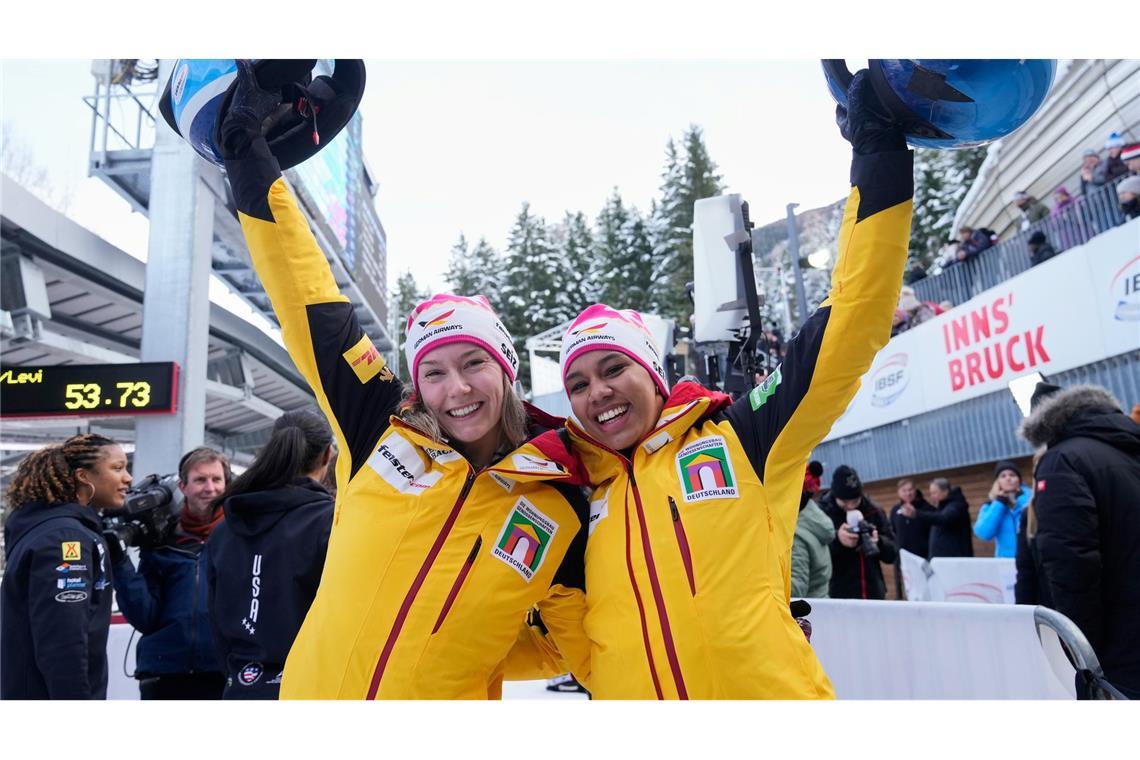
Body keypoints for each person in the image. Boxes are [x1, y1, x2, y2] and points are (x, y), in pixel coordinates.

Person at [218, 60, 589, 699]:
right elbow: (311, 300)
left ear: (507, 370)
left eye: (474, 364)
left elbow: (584, 641)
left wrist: (477, 657)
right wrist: (247, 157)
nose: (457, 389)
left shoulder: (561, 499)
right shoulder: (380, 426)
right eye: (435, 373)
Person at [540, 68, 914, 698]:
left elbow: (850, 326)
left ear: (654, 376)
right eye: (577, 383)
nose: (596, 391)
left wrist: (877, 163)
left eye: (613, 369)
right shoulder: (576, 501)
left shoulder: (738, 436)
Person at [1019, 383, 1140, 699]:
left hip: (1118, 645)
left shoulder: (1062, 461)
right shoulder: (1126, 448)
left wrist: (1083, 652)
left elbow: (1073, 566)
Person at [204, 409, 335, 699]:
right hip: (312, 687)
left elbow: (213, 618)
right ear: (327, 455)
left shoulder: (225, 528)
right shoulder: (332, 522)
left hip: (241, 687)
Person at [1, 434, 128, 699]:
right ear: (83, 477)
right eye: (117, 468)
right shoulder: (66, 538)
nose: (127, 478)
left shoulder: (48, 529)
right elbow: (62, 641)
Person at [107, 447, 229, 699]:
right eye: (200, 480)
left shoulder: (239, 539)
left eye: (216, 479)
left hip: (225, 673)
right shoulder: (160, 543)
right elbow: (144, 617)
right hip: (165, 674)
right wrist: (120, 563)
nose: (210, 488)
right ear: (183, 487)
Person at [819, 466, 897, 600]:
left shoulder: (874, 511)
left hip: (873, 594)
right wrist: (838, 540)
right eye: (844, 502)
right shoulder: (822, 514)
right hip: (837, 596)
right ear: (835, 495)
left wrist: (878, 542)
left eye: (855, 501)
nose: (851, 506)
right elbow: (816, 555)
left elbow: (892, 554)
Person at [973, 460, 1032, 558]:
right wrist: (999, 504)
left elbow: (1040, 522)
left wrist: (1022, 498)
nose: (1008, 478)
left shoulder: (1033, 499)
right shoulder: (989, 507)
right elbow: (984, 534)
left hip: (1032, 560)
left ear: (1019, 480)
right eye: (1003, 476)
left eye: (1012, 475)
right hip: (1005, 562)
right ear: (998, 482)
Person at [901, 477, 974, 557]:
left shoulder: (957, 505)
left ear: (945, 491)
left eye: (934, 493)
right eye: (931, 493)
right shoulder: (942, 506)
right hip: (941, 559)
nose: (932, 496)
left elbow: (944, 518)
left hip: (955, 559)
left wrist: (916, 514)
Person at [792, 488, 834, 599]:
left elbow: (796, 588)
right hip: (822, 603)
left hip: (809, 610)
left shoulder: (796, 536)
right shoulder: (813, 522)